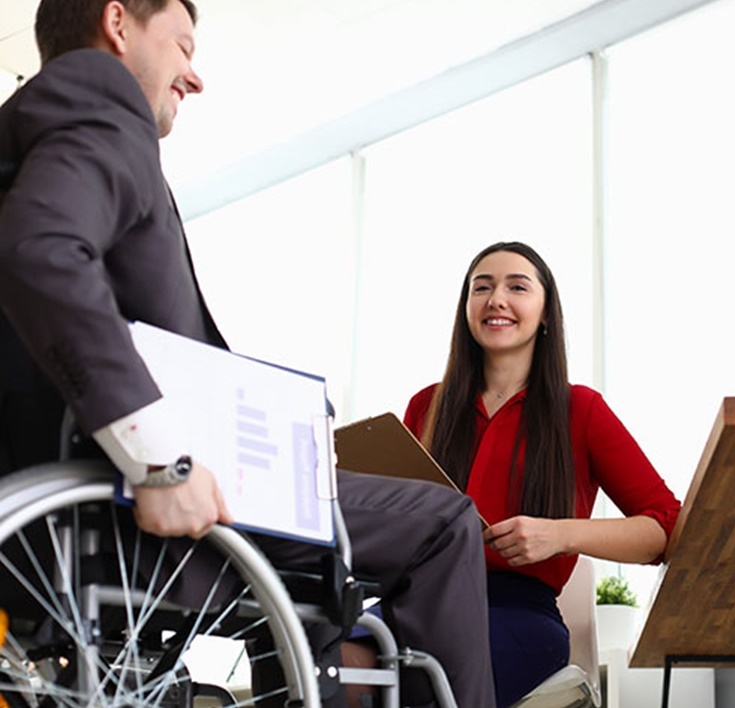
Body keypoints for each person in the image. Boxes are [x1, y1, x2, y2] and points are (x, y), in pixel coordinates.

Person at [0, 2, 495, 706]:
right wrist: (159, 459)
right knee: (445, 524)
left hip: (56, 507)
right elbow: (40, 253)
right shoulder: (100, 107)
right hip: (131, 506)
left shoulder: (27, 130)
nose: (193, 77)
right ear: (117, 23)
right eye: (182, 45)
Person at [407, 241, 681, 706]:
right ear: (466, 309)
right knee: (322, 659)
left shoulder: (581, 410)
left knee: (425, 677)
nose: (497, 299)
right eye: (482, 287)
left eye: (517, 286)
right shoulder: (426, 407)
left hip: (516, 612)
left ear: (546, 312)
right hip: (417, 605)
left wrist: (560, 535)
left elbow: (664, 526)